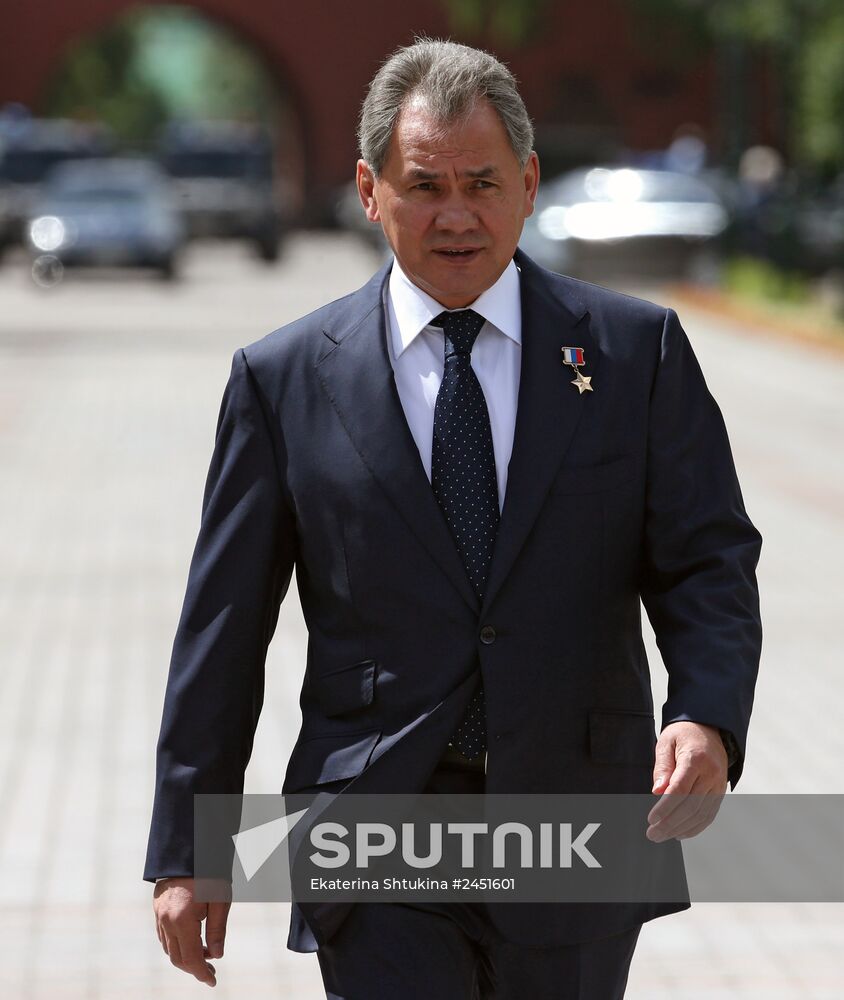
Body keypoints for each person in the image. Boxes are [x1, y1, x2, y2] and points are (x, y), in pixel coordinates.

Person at [144, 38, 762, 998]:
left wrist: (706, 716)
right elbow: (223, 630)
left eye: (483, 183)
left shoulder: (635, 355)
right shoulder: (283, 382)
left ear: (528, 182)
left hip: (575, 823)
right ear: (366, 190)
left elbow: (706, 559)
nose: (457, 214)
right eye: (425, 184)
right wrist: (189, 848)